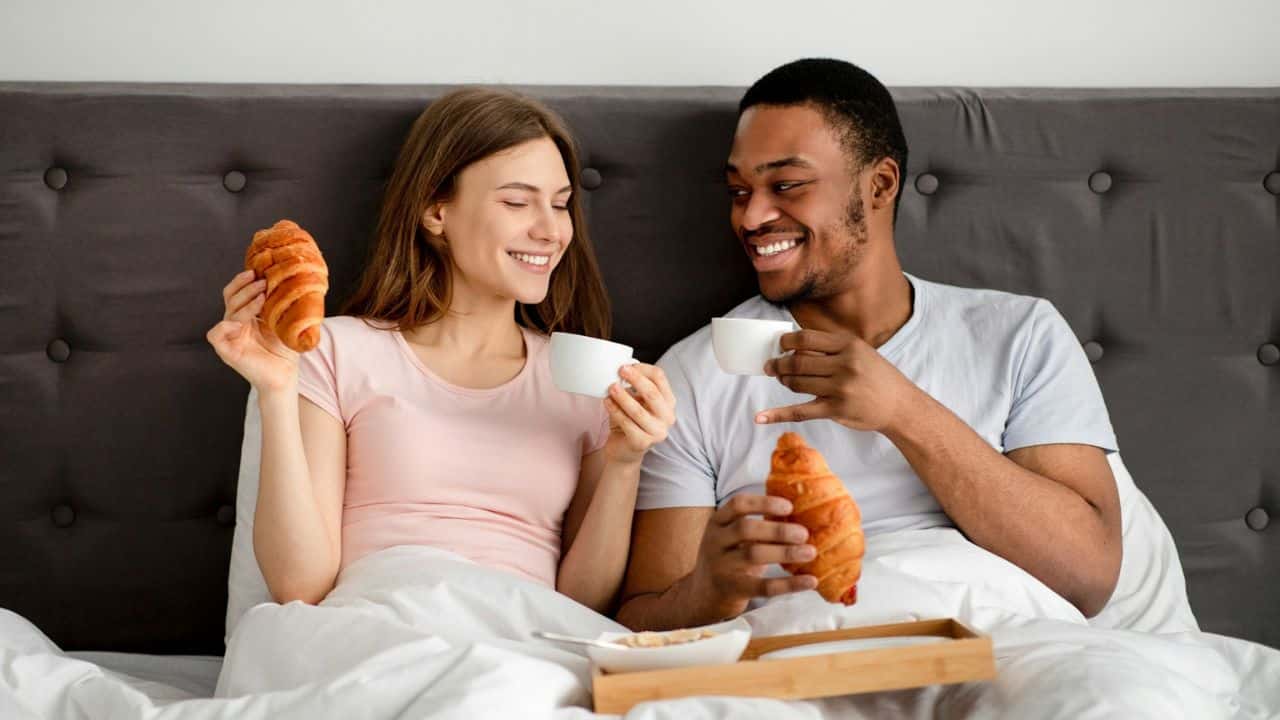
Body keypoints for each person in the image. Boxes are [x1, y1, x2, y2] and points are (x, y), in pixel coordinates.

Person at [616, 59, 1121, 630]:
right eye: (739, 190)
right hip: (810, 655)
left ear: (879, 184)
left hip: (1007, 645)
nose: (751, 216)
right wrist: (711, 591)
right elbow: (642, 623)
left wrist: (903, 410)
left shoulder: (1019, 334)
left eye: (786, 185)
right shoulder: (694, 373)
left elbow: (1090, 576)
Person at [207, 88, 675, 615]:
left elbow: (580, 608)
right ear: (436, 212)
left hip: (517, 644)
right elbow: (299, 587)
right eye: (518, 202)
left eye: (562, 204)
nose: (551, 230)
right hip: (376, 629)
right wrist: (274, 389)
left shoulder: (583, 378)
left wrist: (626, 462)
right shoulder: (336, 350)